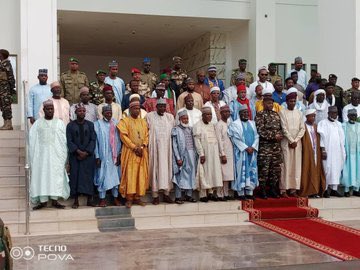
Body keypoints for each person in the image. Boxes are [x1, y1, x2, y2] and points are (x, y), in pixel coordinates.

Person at [30, 99, 70, 210]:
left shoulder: (60, 123)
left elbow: (63, 141)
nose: (50, 111)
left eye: (52, 109)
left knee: (55, 177)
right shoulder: (38, 123)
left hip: (56, 156)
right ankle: (43, 201)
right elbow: (32, 141)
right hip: (41, 157)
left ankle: (55, 200)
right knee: (42, 177)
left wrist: (64, 157)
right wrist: (34, 156)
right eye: (48, 109)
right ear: (44, 110)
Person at [118, 101, 149, 208]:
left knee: (140, 174)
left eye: (138, 109)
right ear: (130, 110)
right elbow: (123, 136)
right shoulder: (124, 121)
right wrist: (134, 147)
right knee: (130, 175)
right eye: (134, 108)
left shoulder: (143, 122)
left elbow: (147, 136)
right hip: (130, 152)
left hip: (141, 152)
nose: (137, 110)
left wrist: (142, 146)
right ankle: (129, 198)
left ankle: (137, 197)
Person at [66, 103, 97, 208]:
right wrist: (78, 151)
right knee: (75, 177)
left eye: (83, 111)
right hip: (75, 156)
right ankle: (75, 201)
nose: (82, 113)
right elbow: (69, 141)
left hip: (88, 156)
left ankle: (89, 199)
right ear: (75, 112)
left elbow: (93, 139)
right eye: (79, 111)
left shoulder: (90, 124)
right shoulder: (70, 125)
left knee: (88, 177)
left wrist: (87, 152)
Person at [146, 98, 175, 205]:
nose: (162, 108)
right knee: (155, 169)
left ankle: (166, 194)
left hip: (167, 149)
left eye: (164, 106)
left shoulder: (170, 117)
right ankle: (155, 196)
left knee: (167, 170)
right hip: (155, 148)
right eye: (160, 106)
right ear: (156, 107)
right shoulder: (149, 116)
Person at [228, 104, 259, 200]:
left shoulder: (252, 123)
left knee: (251, 171)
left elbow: (257, 136)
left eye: (247, 112)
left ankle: (249, 192)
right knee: (241, 171)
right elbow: (235, 138)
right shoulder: (235, 124)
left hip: (252, 153)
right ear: (240, 114)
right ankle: (241, 193)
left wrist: (253, 147)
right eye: (244, 112)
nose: (246, 114)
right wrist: (245, 148)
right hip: (241, 153)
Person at [255, 96, 283, 199]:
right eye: (268, 103)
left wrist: (280, 135)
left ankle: (272, 189)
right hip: (265, 148)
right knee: (264, 170)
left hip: (276, 147)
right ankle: (262, 190)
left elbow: (280, 128)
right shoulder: (260, 115)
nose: (270, 105)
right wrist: (273, 136)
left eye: (271, 103)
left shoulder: (276, 115)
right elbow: (260, 130)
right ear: (263, 104)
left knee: (275, 170)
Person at [279, 91, 305, 197]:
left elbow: (302, 128)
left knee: (296, 166)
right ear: (287, 101)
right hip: (286, 143)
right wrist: (291, 140)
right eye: (290, 101)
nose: (292, 103)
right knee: (285, 165)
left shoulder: (299, 113)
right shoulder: (282, 112)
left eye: (294, 101)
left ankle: (293, 189)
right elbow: (284, 128)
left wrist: (296, 140)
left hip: (297, 144)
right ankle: (283, 189)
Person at [193, 106, 223, 202]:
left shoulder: (212, 125)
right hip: (204, 153)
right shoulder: (197, 125)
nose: (209, 116)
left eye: (210, 114)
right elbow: (197, 141)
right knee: (204, 172)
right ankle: (202, 195)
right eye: (207, 114)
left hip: (213, 153)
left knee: (212, 172)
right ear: (203, 115)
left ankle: (210, 192)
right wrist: (201, 153)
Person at [94, 105, 121, 207]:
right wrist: (97, 156)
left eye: (110, 112)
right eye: (106, 112)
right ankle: (102, 199)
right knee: (102, 176)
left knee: (115, 177)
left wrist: (119, 154)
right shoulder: (97, 124)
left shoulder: (116, 123)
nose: (109, 114)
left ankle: (115, 198)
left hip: (114, 156)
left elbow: (119, 140)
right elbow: (96, 142)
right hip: (103, 156)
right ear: (103, 113)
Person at [318, 106, 345, 198]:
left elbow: (342, 139)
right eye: (332, 113)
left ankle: (334, 189)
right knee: (327, 169)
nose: (334, 114)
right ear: (328, 113)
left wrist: (343, 151)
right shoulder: (323, 123)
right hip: (328, 150)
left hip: (337, 151)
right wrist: (323, 149)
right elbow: (321, 138)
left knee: (336, 169)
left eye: (336, 113)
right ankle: (325, 189)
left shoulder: (339, 124)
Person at [171, 110, 197, 204]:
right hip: (181, 156)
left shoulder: (190, 129)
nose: (185, 120)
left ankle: (188, 195)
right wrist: (178, 158)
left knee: (191, 174)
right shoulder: (176, 129)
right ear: (180, 119)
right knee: (179, 175)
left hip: (191, 155)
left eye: (187, 119)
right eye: (184, 119)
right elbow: (174, 145)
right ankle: (178, 197)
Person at [299, 109, 326, 197]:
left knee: (316, 169)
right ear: (306, 117)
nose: (313, 118)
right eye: (311, 116)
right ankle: (307, 191)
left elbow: (320, 139)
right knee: (307, 168)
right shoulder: (303, 126)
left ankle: (315, 191)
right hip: (307, 151)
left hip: (316, 151)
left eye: (314, 116)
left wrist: (322, 150)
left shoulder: (316, 126)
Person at [215, 105, 234, 200]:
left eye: (228, 112)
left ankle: (226, 193)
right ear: (221, 113)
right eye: (225, 112)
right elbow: (219, 140)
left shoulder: (230, 123)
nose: (227, 113)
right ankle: (219, 194)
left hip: (230, 151)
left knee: (227, 175)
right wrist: (222, 154)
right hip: (223, 153)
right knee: (222, 174)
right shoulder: (219, 125)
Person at [341, 109, 360, 197]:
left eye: (355, 115)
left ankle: (356, 189)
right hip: (347, 152)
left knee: (357, 170)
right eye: (351, 115)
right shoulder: (343, 126)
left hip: (357, 153)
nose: (353, 117)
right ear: (348, 116)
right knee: (347, 170)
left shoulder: (359, 125)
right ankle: (346, 190)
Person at [0, 49, 16, 130]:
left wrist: (12, 88)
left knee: (6, 107)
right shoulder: (2, 64)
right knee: (3, 106)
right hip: (2, 90)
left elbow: (11, 77)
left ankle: (9, 124)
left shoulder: (6, 64)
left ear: (2, 55)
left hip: (6, 90)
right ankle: (5, 123)